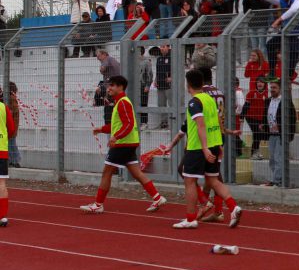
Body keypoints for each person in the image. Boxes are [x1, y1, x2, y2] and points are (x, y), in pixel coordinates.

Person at [163, 69, 242, 229]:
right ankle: (233, 206)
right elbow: (218, 121)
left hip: (198, 147)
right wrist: (223, 137)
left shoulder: (194, 102)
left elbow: (201, 125)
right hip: (214, 144)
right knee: (213, 180)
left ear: (188, 85)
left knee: (190, 181)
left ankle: (191, 218)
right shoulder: (209, 99)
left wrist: (204, 148)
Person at [79, 76, 166, 214]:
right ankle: (157, 197)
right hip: (128, 143)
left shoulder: (123, 103)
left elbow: (129, 124)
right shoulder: (119, 102)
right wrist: (101, 129)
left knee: (106, 172)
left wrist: (116, 137)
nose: (109, 88)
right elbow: (117, 125)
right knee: (136, 173)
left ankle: (98, 204)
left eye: (112, 85)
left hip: (123, 144)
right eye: (108, 86)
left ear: (120, 87)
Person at [264, 78, 296, 187]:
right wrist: (264, 125)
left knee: (278, 158)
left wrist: (290, 134)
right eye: (271, 87)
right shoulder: (268, 101)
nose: (272, 90)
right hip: (271, 134)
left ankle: (276, 181)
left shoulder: (286, 101)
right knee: (272, 159)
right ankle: (278, 179)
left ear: (280, 89)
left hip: (281, 134)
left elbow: (292, 118)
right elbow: (266, 116)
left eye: (274, 88)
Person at [0, 91, 17, 226]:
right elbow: (11, 129)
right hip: (2, 150)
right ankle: (2, 216)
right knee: (2, 184)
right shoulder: (4, 108)